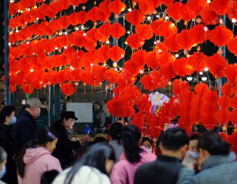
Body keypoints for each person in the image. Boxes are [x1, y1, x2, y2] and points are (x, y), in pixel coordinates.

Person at [0, 106, 17, 184]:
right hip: (7, 164)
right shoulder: (3, 132)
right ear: (7, 118)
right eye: (13, 116)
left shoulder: (9, 129)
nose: (14, 118)